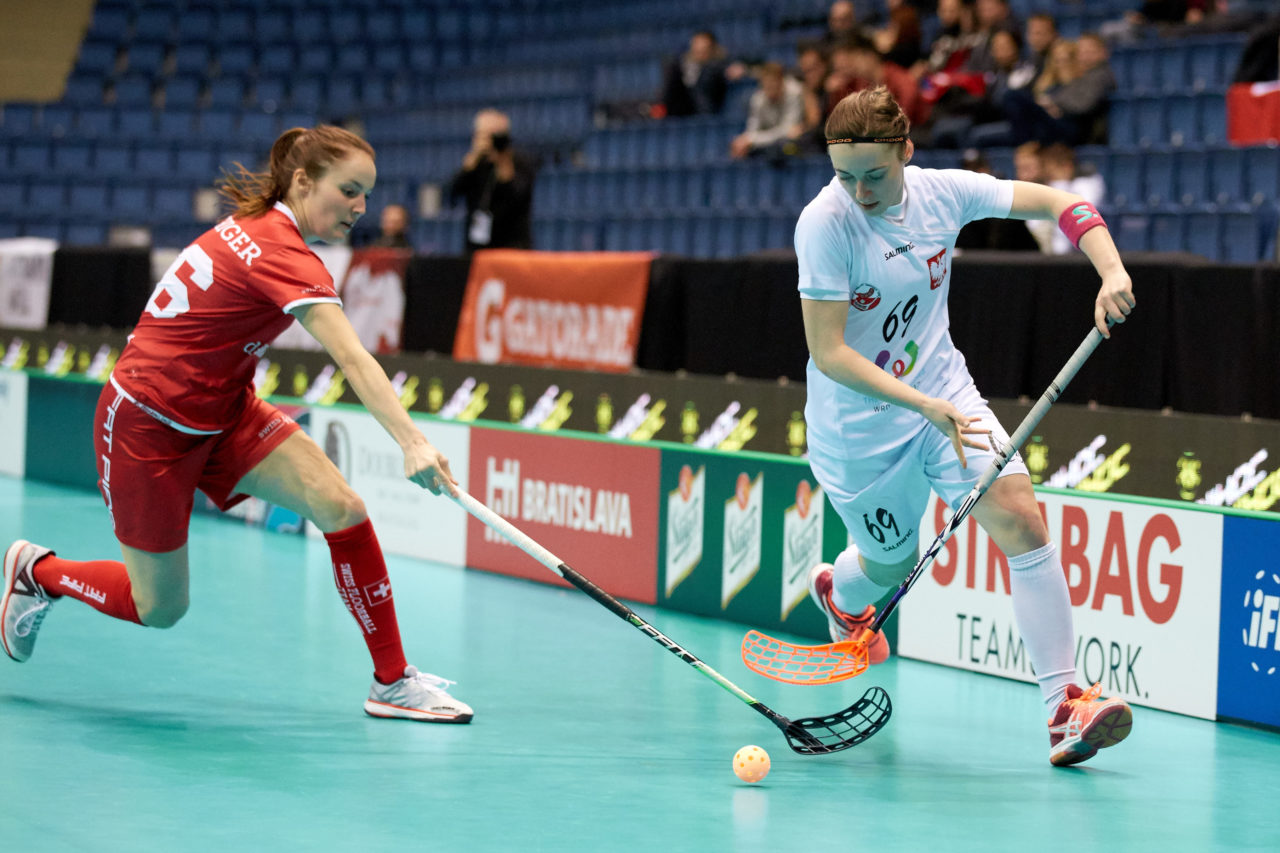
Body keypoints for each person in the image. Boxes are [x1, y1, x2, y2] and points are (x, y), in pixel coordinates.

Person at [2, 125, 473, 724]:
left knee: (342, 507)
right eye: (350, 190)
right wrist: (413, 443)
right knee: (160, 607)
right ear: (303, 181)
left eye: (367, 195)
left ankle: (392, 681)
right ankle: (40, 573)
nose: (361, 207)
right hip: (148, 426)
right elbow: (353, 357)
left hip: (223, 411)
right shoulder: (280, 249)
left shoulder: (266, 233)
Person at [794, 86, 1136, 767]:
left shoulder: (943, 193)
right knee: (887, 562)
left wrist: (1110, 268)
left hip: (943, 389)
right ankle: (839, 591)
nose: (860, 191)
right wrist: (921, 407)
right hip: (859, 429)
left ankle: (1064, 708)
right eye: (845, 176)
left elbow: (1058, 202)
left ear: (907, 153)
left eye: (875, 174)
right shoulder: (824, 223)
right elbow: (830, 353)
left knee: (1020, 514)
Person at [448, 108, 535, 253]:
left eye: (492, 136)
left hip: (511, 246)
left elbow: (518, 196)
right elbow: (452, 194)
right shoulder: (475, 165)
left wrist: (503, 162)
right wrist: (469, 165)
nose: (487, 142)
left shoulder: (520, 162)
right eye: (481, 135)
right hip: (477, 247)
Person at [730, 62, 806, 159]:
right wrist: (748, 140)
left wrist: (752, 139)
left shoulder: (795, 93)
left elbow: (789, 130)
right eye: (766, 85)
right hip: (770, 142)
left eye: (773, 84)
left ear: (781, 82)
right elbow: (752, 131)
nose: (770, 88)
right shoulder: (758, 99)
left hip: (793, 143)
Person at [659, 30, 730, 117]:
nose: (699, 52)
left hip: (707, 114)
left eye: (704, 49)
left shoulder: (718, 66)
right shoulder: (680, 66)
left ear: (712, 49)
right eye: (696, 48)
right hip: (679, 114)